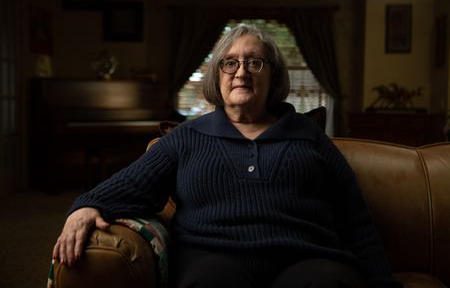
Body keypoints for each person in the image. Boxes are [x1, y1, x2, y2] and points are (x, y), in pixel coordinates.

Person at [53, 24, 401, 288]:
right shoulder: (187, 137)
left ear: (273, 75)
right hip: (213, 257)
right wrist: (86, 207)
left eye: (255, 62)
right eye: (230, 62)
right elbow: (127, 186)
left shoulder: (309, 136)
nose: (241, 71)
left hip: (308, 256)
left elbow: (356, 218)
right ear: (217, 75)